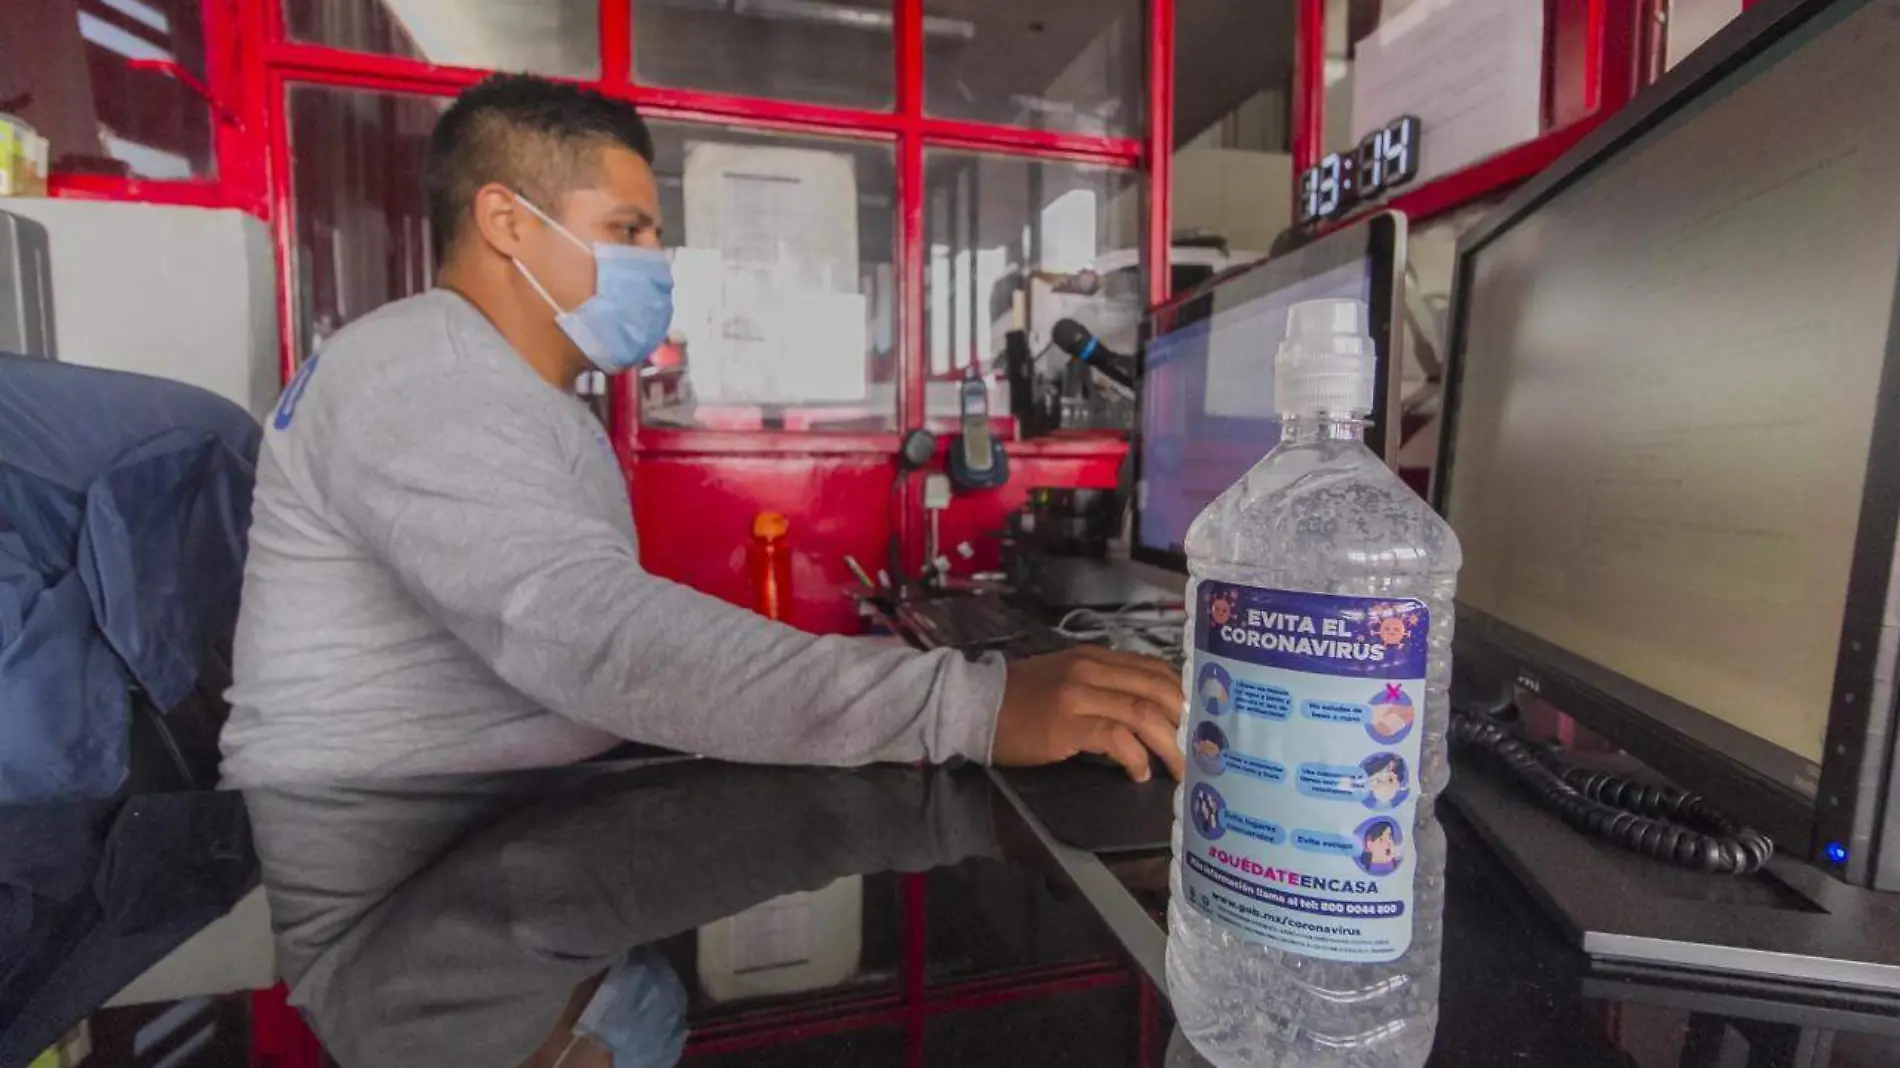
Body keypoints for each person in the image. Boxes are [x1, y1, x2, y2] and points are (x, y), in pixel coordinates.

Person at [218, 75, 1183, 787]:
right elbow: (595, 640)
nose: (657, 258)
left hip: (487, 811)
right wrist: (974, 704)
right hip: (377, 845)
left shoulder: (510, 387)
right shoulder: (424, 373)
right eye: (629, 229)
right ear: (508, 222)